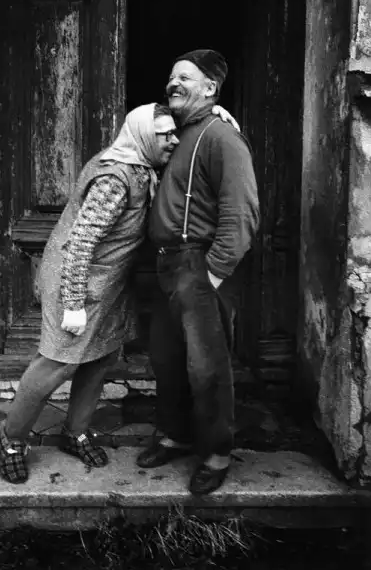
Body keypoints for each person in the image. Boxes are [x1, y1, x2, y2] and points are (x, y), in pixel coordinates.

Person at [0, 103, 179, 484]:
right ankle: (11, 440)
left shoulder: (140, 165)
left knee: (100, 358)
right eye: (165, 134)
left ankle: (75, 432)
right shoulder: (115, 179)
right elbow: (80, 244)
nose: (174, 140)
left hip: (108, 283)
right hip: (78, 281)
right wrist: (74, 303)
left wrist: (221, 117)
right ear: (145, 136)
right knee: (57, 363)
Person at [136, 49, 260, 496]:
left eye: (185, 78)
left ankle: (216, 453)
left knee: (207, 368)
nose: (173, 83)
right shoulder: (176, 134)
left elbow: (242, 212)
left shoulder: (221, 137)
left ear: (210, 88)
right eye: (171, 77)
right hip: (167, 265)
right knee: (167, 359)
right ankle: (175, 435)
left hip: (199, 264)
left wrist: (215, 272)